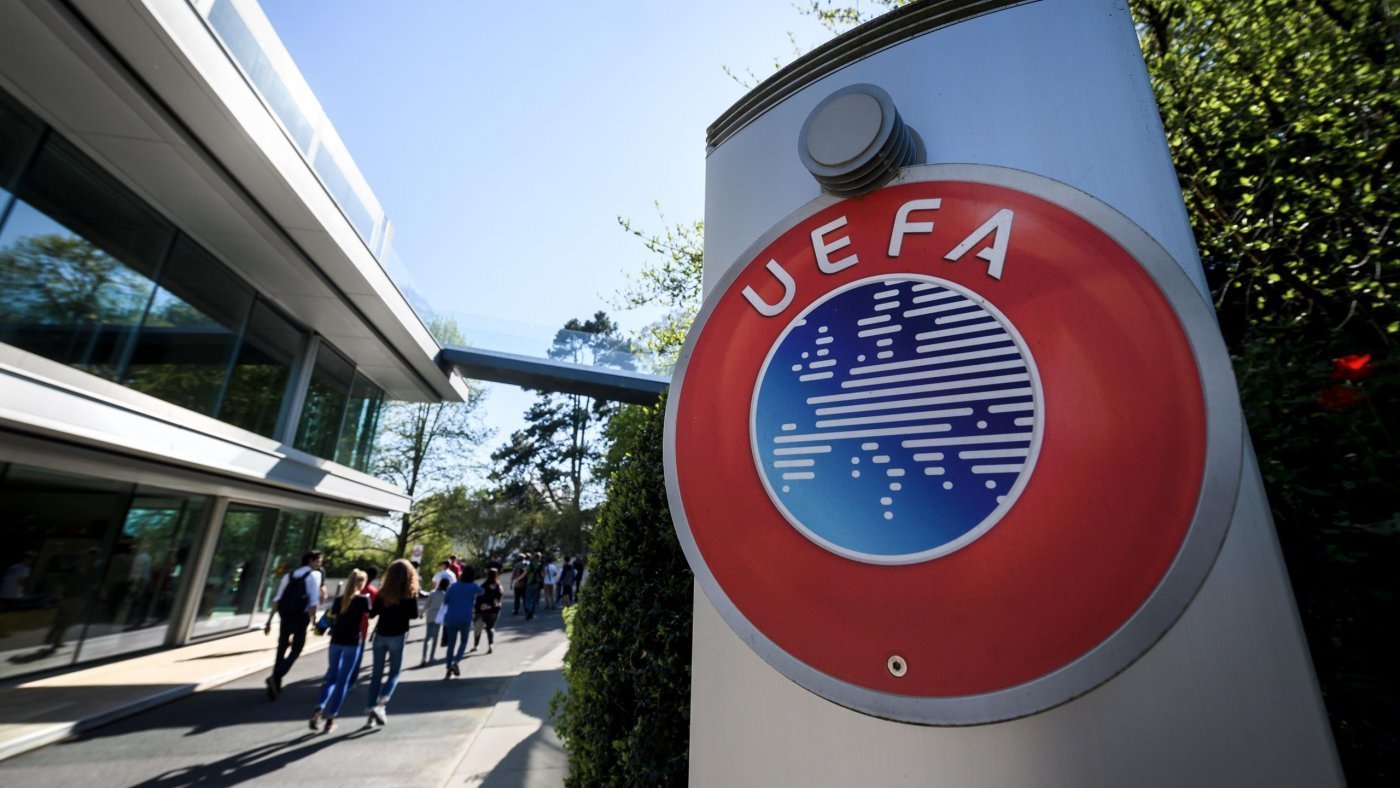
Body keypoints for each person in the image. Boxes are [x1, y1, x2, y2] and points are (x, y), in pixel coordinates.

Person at [310, 569, 369, 734]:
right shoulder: (363, 600)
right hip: (352, 642)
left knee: (331, 678)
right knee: (343, 681)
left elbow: (332, 618)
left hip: (335, 642)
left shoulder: (338, 600)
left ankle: (319, 708)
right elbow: (369, 616)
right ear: (362, 583)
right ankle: (331, 719)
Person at [364, 559, 419, 727]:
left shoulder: (382, 593)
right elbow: (414, 615)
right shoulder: (409, 594)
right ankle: (381, 705)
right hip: (398, 635)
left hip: (380, 635)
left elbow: (372, 613)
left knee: (376, 675)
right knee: (394, 673)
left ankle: (370, 713)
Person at [263, 550, 322, 700]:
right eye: (318, 560)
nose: (320, 563)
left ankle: (276, 684)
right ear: (310, 560)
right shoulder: (313, 576)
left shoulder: (288, 576)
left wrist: (269, 621)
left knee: (282, 647)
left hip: (285, 615)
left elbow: (277, 599)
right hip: (301, 616)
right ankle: (276, 676)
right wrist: (314, 620)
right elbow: (314, 601)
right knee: (297, 648)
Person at [439, 566, 483, 678]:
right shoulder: (473, 586)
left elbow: (446, 601)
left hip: (450, 618)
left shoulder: (453, 586)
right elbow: (482, 591)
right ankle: (456, 662)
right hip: (465, 618)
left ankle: (448, 667)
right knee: (463, 642)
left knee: (451, 644)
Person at [348, 565, 378, 689]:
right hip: (361, 628)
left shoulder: (350, 588)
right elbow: (371, 613)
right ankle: (351, 682)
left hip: (345, 626)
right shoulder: (373, 592)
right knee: (356, 657)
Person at [471, 568, 503, 654]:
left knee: (478, 627)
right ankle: (490, 644)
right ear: (496, 575)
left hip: (482, 609)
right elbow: (499, 598)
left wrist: (476, 609)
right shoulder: (499, 586)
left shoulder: (483, 585)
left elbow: (478, 598)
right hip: (494, 609)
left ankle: (476, 645)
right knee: (490, 627)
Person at [421, 578, 449, 666]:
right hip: (439, 617)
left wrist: (421, 613)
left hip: (430, 615)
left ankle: (423, 658)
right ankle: (431, 657)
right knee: (435, 637)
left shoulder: (433, 593)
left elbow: (426, 605)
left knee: (427, 637)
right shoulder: (446, 594)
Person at [524, 552, 546, 620]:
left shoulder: (530, 565)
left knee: (528, 598)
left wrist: (518, 579)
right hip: (537, 584)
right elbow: (543, 575)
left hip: (529, 583)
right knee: (534, 599)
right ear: (539, 558)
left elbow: (525, 573)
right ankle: (532, 613)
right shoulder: (541, 565)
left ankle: (528, 609)